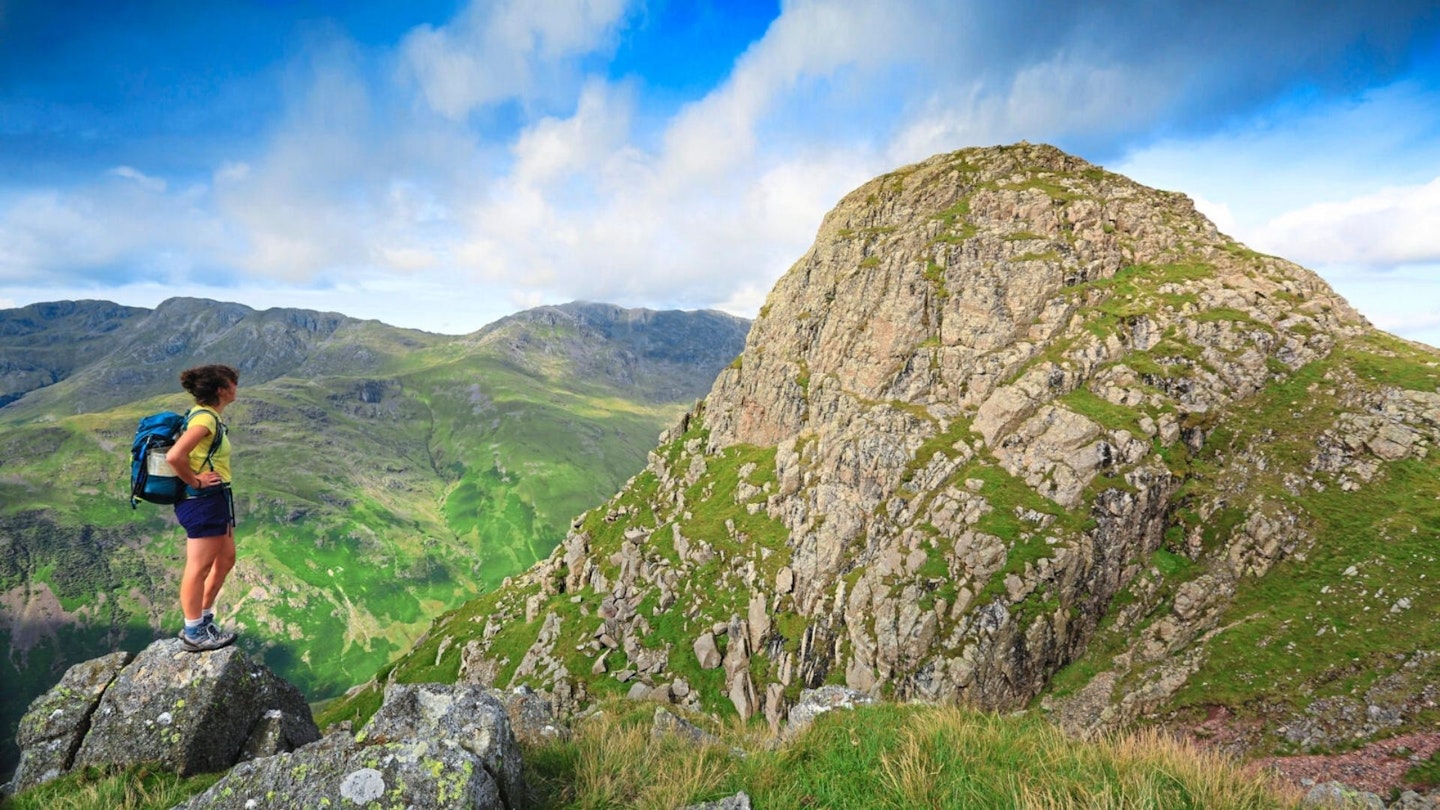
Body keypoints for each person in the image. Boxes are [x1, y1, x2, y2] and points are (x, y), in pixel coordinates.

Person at [166, 364, 240, 652]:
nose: (236, 388)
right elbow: (175, 456)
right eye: (233, 383)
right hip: (202, 500)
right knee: (199, 567)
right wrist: (195, 481)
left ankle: (205, 617)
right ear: (222, 389)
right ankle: (193, 631)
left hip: (217, 498)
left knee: (226, 559)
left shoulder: (207, 417)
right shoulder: (205, 420)